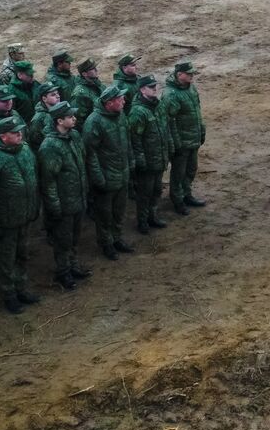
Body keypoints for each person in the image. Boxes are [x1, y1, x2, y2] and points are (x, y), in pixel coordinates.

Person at [0, 116, 41, 314]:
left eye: (20, 131)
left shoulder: (25, 150)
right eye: (15, 133)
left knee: (22, 255)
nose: (20, 134)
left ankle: (21, 288)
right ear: (3, 136)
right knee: (6, 260)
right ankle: (8, 294)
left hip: (24, 215)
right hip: (6, 220)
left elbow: (33, 178)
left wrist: (34, 207)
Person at [37, 102, 91, 290]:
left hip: (77, 197)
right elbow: (49, 181)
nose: (74, 119)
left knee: (75, 236)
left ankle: (73, 265)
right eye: (70, 117)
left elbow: (81, 163)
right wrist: (55, 206)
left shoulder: (74, 136)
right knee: (63, 240)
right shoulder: (50, 146)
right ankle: (63, 272)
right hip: (64, 202)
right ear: (59, 120)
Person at [83, 84, 133, 259]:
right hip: (106, 176)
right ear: (109, 102)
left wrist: (130, 161)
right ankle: (106, 243)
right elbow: (91, 154)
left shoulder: (120, 115)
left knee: (119, 211)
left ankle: (117, 238)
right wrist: (98, 178)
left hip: (122, 173)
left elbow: (127, 141)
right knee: (104, 214)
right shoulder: (94, 122)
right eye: (120, 99)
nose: (124, 101)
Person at [126, 74, 170, 233]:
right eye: (152, 87)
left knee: (156, 190)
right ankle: (142, 221)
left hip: (159, 158)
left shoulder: (157, 106)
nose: (155, 89)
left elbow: (165, 130)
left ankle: (153, 216)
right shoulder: (138, 112)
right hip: (147, 161)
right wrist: (141, 161)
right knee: (145, 193)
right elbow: (134, 139)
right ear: (142, 90)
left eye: (155, 86)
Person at [161, 61, 205, 214]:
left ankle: (187, 194)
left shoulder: (190, 88)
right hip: (181, 142)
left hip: (193, 137)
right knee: (178, 173)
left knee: (191, 169)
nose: (192, 76)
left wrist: (202, 130)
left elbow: (197, 110)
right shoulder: (170, 94)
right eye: (189, 73)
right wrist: (175, 143)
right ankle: (177, 200)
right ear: (180, 75)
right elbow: (167, 122)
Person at [27, 83, 64, 151]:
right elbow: (35, 143)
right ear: (44, 99)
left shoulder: (61, 111)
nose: (58, 96)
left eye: (57, 93)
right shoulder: (39, 118)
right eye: (53, 95)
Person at [70, 59, 104, 123]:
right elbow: (79, 119)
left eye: (95, 68)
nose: (96, 70)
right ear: (84, 74)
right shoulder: (79, 93)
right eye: (93, 69)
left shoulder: (99, 85)